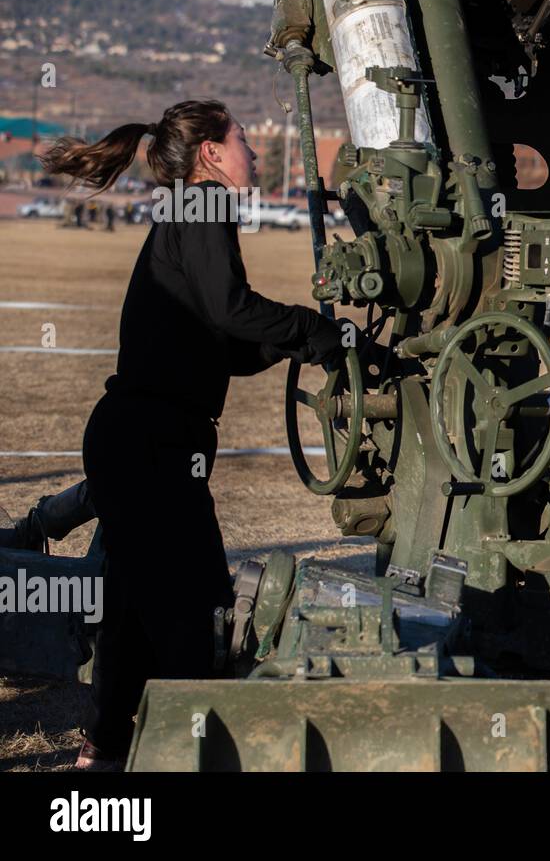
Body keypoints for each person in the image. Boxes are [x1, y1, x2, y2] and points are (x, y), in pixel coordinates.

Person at [39, 100, 343, 770]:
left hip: (138, 440)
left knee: (133, 606)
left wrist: (300, 346)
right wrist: (314, 330)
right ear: (211, 152)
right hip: (151, 445)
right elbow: (230, 309)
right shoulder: (204, 208)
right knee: (194, 606)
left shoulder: (186, 210)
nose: (255, 156)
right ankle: (186, 750)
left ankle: (107, 748)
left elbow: (221, 344)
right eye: (243, 142)